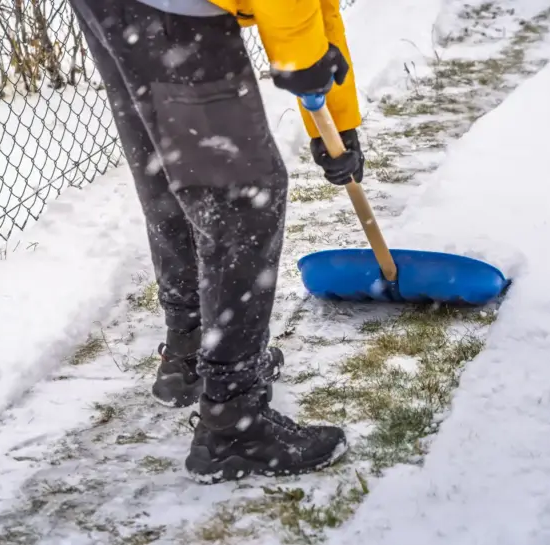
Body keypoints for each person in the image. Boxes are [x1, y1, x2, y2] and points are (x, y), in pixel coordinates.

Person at [67, 0, 365, 483]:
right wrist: (305, 65)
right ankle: (233, 420)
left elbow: (317, 7)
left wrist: (336, 120)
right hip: (173, 12)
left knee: (168, 165)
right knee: (243, 195)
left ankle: (188, 349)